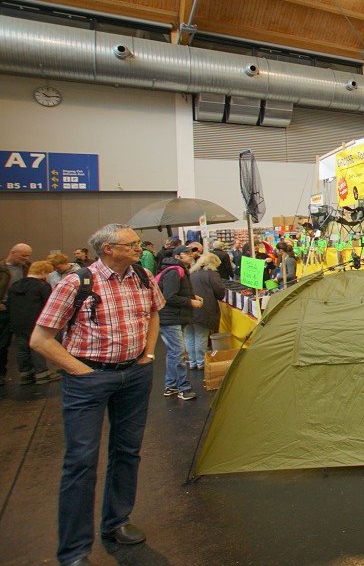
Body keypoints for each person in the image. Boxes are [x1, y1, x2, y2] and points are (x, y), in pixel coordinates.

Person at [30, 223, 163, 566]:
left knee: (127, 452)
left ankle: (116, 521)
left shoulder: (143, 277)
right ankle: (74, 550)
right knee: (80, 462)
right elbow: (41, 339)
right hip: (88, 379)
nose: (139, 248)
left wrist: (147, 354)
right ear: (108, 249)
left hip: (134, 375)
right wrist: (81, 372)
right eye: (131, 244)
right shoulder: (76, 283)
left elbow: (152, 315)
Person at [157, 245, 202, 400]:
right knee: (178, 353)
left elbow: (175, 292)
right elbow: (169, 297)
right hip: (171, 318)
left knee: (173, 353)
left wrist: (193, 296)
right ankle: (183, 388)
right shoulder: (175, 271)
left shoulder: (178, 270)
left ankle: (171, 386)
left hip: (172, 317)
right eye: (187, 253)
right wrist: (190, 302)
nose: (191, 256)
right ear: (177, 256)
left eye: (192, 253)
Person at [7, 260, 60, 384]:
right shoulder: (42, 286)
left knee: (22, 348)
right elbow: (49, 304)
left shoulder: (15, 285)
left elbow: (9, 304)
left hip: (17, 322)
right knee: (37, 346)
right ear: (42, 272)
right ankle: (42, 374)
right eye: (48, 273)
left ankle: (25, 374)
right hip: (35, 322)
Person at [0, 242, 33, 385]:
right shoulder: (2, 268)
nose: (25, 258)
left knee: (24, 341)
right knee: (2, 343)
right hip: (3, 309)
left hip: (21, 309)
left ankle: (27, 372)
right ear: (13, 252)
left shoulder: (26, 266)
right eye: (23, 255)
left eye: (27, 256)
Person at [188, 252, 225, 370]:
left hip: (188, 308)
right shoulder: (211, 274)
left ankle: (192, 361)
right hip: (204, 308)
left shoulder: (191, 273)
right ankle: (201, 362)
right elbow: (219, 292)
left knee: (189, 336)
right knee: (201, 336)